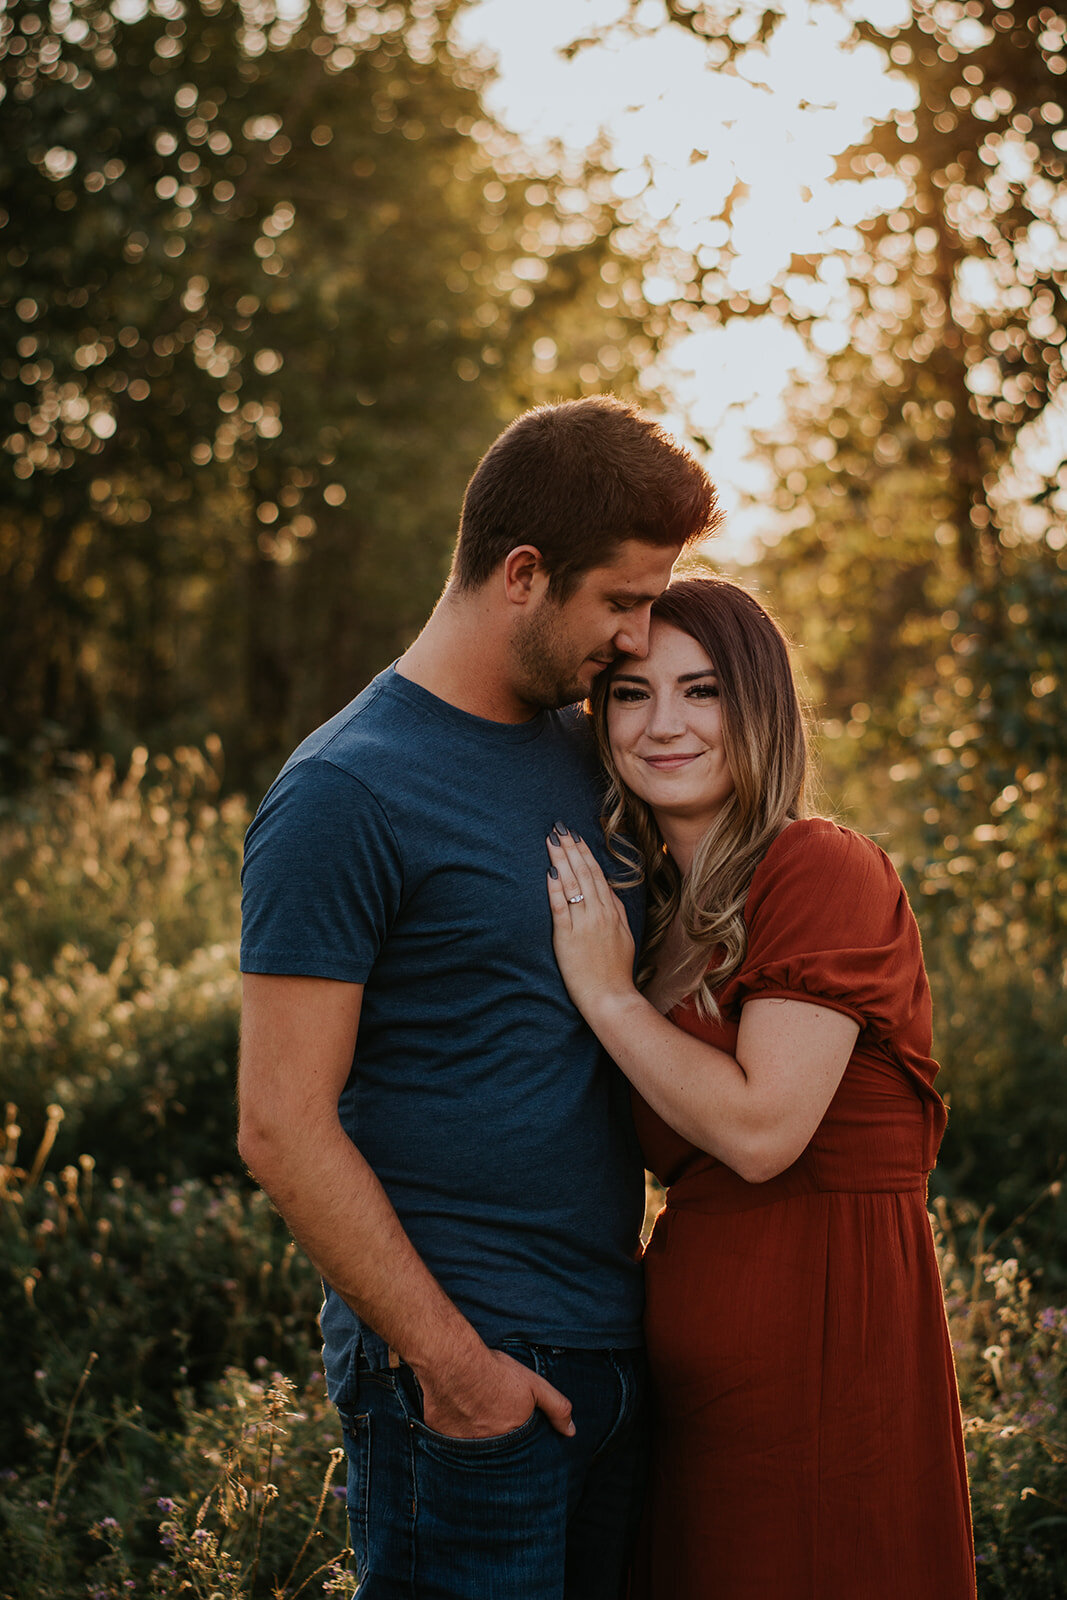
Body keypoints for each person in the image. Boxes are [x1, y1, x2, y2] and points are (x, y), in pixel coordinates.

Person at [237, 396, 718, 1599]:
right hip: (465, 1382)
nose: (637, 636)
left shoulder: (587, 747)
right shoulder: (344, 792)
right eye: (619, 601)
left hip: (613, 1353)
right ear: (521, 573)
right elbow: (279, 1123)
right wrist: (456, 1372)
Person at [546, 576, 976, 1600]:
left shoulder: (817, 867)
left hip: (830, 1366)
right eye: (628, 693)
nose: (662, 724)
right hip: (695, 1403)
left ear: (760, 707)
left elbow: (758, 1129)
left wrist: (607, 1002)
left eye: (700, 691)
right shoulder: (654, 917)